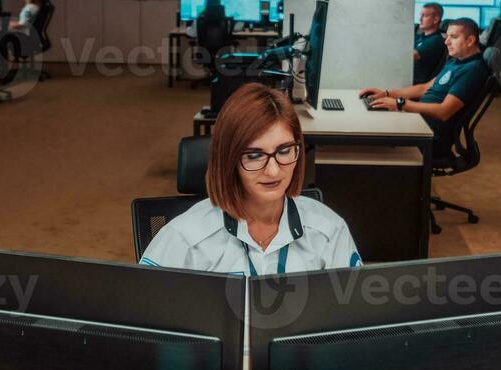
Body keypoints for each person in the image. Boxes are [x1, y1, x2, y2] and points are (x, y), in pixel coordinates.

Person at [139, 83, 360, 274]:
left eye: (284, 151)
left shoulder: (329, 230)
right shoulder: (184, 238)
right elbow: (144, 315)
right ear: (228, 160)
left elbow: (353, 316)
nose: (273, 171)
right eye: (254, 155)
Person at [361, 17, 491, 158]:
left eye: (453, 37)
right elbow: (424, 88)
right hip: (418, 121)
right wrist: (386, 93)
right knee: (368, 123)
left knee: (369, 134)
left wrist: (400, 104)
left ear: (470, 40)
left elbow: (444, 111)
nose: (446, 42)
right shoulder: (456, 61)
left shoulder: (472, 70)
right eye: (447, 37)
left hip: (429, 135)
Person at [413, 2, 448, 84]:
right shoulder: (421, 37)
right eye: (420, 15)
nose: (420, 19)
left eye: (424, 16)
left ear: (436, 20)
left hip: (416, 84)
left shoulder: (436, 40)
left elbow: (411, 56)